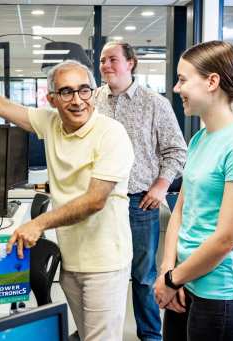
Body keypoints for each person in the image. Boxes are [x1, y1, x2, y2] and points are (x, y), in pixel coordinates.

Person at [0, 59, 135, 341]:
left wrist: (38, 223)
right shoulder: (51, 123)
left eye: (84, 90)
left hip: (105, 263)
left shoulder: (111, 134)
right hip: (73, 260)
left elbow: (94, 200)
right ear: (51, 98)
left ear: (93, 93)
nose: (77, 101)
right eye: (66, 92)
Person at [153, 40, 233, 341]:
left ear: (212, 81)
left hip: (222, 296)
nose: (177, 89)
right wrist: (168, 270)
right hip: (185, 282)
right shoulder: (200, 138)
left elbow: (226, 239)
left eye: (183, 79)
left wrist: (173, 279)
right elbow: (181, 209)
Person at [94, 41, 187, 341]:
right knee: (103, 273)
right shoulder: (94, 100)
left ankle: (150, 336)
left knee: (143, 278)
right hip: (101, 201)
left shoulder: (154, 103)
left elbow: (177, 151)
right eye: (102, 60)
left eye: (113, 60)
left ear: (131, 63)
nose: (106, 65)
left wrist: (161, 186)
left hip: (139, 203)